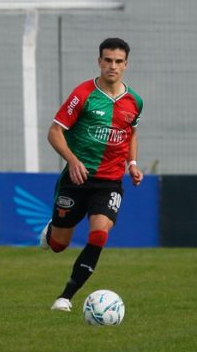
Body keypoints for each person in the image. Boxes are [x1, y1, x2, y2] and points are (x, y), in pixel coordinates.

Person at [39, 38, 144, 312]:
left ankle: (66, 296)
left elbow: (131, 131)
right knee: (59, 245)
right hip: (76, 179)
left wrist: (132, 162)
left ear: (126, 64)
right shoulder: (83, 94)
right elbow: (54, 132)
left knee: (99, 235)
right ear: (99, 61)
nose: (113, 66)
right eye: (107, 60)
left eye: (118, 61)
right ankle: (51, 230)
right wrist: (72, 160)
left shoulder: (135, 101)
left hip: (109, 182)